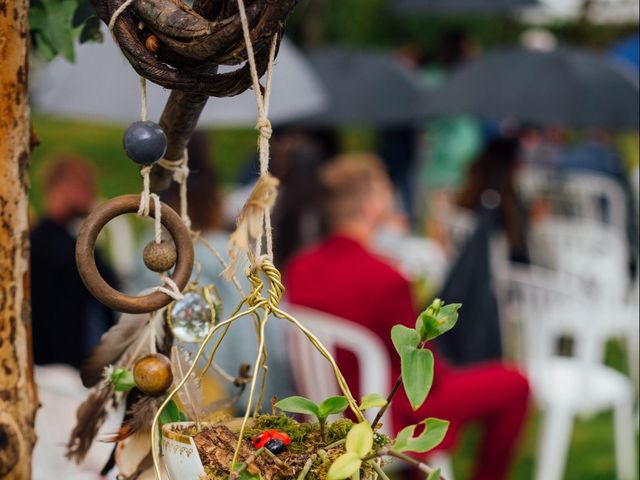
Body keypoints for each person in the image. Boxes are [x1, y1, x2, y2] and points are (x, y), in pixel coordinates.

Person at [286, 154, 530, 480]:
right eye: (386, 190)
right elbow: (422, 375)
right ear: (370, 205)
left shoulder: (302, 266)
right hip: (382, 415)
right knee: (516, 382)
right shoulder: (386, 277)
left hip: (325, 410)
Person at [30, 155, 119, 369]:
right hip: (59, 370)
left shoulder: (50, 242)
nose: (93, 193)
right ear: (60, 187)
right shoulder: (56, 247)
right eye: (85, 184)